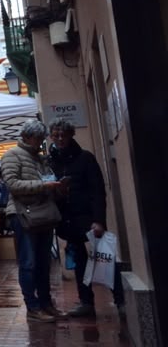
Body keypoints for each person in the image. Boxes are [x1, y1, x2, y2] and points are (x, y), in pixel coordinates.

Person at [47, 119, 125, 317]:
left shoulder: (85, 158)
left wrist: (98, 219)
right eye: (55, 135)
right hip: (67, 217)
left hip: (87, 216)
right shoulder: (51, 161)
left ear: (71, 134)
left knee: (105, 257)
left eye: (63, 134)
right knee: (79, 261)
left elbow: (97, 191)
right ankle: (86, 302)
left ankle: (120, 301)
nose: (59, 139)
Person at [2, 119, 70, 323]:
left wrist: (57, 187)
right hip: (24, 214)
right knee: (29, 263)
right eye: (38, 139)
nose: (40, 143)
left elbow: (46, 181)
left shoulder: (40, 159)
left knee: (43, 263)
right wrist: (43, 186)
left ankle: (46, 304)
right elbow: (12, 184)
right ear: (27, 136)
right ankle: (32, 306)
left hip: (43, 214)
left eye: (42, 139)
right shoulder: (12, 155)